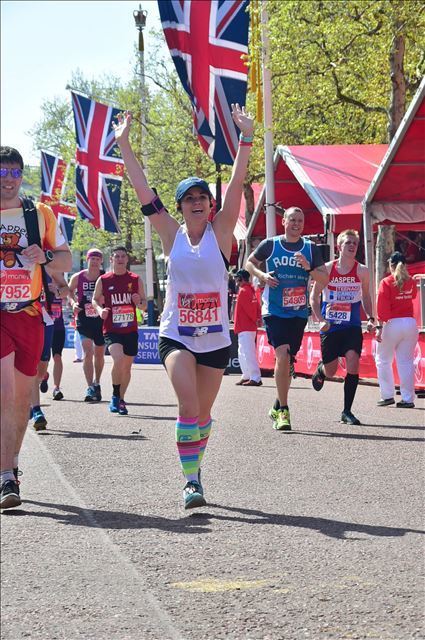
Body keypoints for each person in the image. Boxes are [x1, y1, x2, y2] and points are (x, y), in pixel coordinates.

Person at [114, 105, 254, 509]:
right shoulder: (170, 234)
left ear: (210, 206)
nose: (197, 202)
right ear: (180, 206)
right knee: (188, 406)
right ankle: (191, 482)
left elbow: (237, 183)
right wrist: (124, 145)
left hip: (215, 339)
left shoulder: (222, 230)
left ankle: (196, 467)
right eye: (189, 198)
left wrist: (245, 138)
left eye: (202, 197)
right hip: (176, 335)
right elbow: (144, 192)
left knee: (204, 415)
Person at [0, 146, 72, 509]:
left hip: (29, 313)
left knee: (20, 401)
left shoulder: (38, 213)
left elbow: (65, 258)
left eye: (15, 171)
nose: (9, 179)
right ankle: (5, 477)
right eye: (3, 172)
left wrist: (43, 256)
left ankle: (10, 467)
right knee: (4, 392)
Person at [246, 207, 328, 431]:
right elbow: (248, 263)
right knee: (282, 354)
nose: (296, 224)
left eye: (300, 221)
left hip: (298, 312)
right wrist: (262, 275)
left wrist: (308, 267)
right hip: (274, 310)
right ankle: (284, 411)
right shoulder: (271, 244)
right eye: (292, 219)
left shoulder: (310, 249)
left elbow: (324, 277)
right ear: (284, 222)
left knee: (289, 359)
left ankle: (276, 405)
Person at [309, 229, 375, 425]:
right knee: (331, 371)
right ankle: (321, 371)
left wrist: (371, 318)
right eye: (348, 243)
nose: (353, 246)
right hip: (331, 327)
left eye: (355, 243)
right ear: (339, 247)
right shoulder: (327, 269)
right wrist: (320, 319)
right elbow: (314, 297)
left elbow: (366, 296)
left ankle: (347, 411)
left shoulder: (362, 271)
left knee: (353, 361)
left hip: (352, 326)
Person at [92, 246, 147, 416]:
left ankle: (121, 399)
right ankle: (115, 396)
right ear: (111, 260)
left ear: (127, 259)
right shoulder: (104, 279)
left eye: (123, 256)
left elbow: (144, 305)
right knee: (118, 359)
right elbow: (94, 299)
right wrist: (100, 310)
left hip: (130, 329)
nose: (120, 259)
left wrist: (139, 302)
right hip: (111, 328)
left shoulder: (136, 279)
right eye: (117, 256)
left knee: (127, 367)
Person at [375, 251, 418, 408]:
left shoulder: (386, 282)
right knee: (406, 362)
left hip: (392, 323)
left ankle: (387, 395)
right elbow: (413, 296)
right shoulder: (412, 281)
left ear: (390, 265)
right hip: (410, 323)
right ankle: (408, 399)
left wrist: (379, 327)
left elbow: (382, 308)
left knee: (383, 360)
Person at [68, 249, 105, 402]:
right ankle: (90, 386)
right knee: (87, 352)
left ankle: (97, 382)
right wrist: (73, 303)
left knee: (99, 353)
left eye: (97, 259)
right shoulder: (78, 277)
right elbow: (68, 291)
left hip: (101, 318)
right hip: (84, 317)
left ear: (101, 261)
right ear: (87, 259)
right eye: (92, 258)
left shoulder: (105, 277)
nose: (95, 261)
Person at [233, 269, 262, 386]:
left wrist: (256, 319)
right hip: (246, 326)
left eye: (237, 278)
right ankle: (247, 375)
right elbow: (256, 307)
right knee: (242, 352)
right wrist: (257, 318)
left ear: (241, 278)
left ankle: (255, 377)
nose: (235, 280)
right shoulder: (250, 290)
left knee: (248, 352)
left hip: (246, 326)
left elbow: (250, 309)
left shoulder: (244, 291)